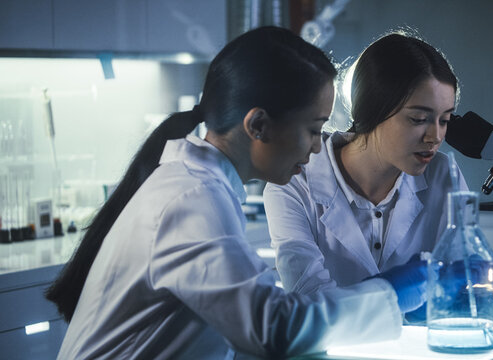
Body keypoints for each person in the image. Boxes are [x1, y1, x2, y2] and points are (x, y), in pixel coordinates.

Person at [44, 27, 428, 359]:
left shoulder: (203, 187)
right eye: (313, 129)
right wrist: (391, 291)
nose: (317, 147)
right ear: (258, 124)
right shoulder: (190, 198)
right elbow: (271, 326)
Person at [263, 32, 468, 321]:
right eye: (418, 119)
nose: (435, 136)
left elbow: (462, 287)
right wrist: (390, 293)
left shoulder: (444, 175)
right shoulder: (295, 182)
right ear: (373, 110)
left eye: (444, 120)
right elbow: (309, 297)